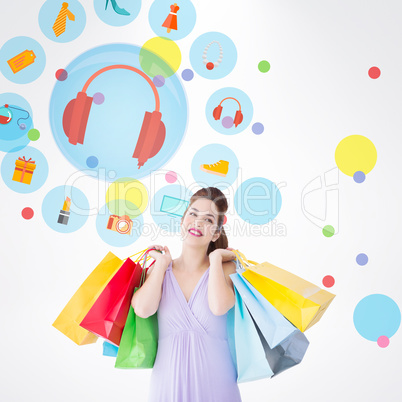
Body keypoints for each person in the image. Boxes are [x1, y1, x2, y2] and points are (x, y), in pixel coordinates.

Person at [132, 187, 242, 402]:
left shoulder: (226, 270)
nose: (198, 222)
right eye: (193, 214)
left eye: (208, 220)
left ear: (216, 233)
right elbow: (143, 310)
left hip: (217, 387)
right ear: (182, 220)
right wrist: (162, 264)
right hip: (167, 386)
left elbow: (219, 306)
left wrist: (216, 259)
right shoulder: (160, 270)